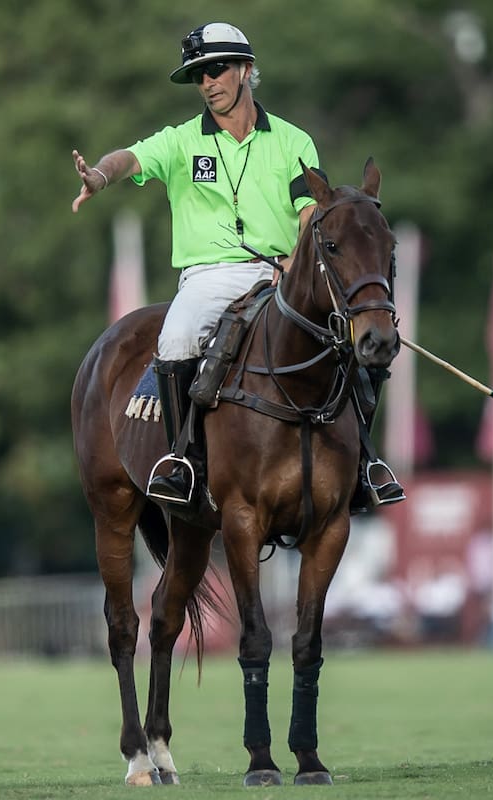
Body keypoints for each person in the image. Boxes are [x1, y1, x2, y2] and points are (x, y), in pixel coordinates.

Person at [71, 22, 403, 510]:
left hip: (281, 274)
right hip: (208, 276)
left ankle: (365, 462)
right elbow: (130, 158)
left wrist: (294, 262)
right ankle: (182, 461)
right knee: (178, 336)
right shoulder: (181, 142)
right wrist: (100, 174)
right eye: (198, 75)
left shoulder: (293, 142)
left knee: (350, 337)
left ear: (246, 70)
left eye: (216, 69)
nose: (207, 82)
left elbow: (309, 211)